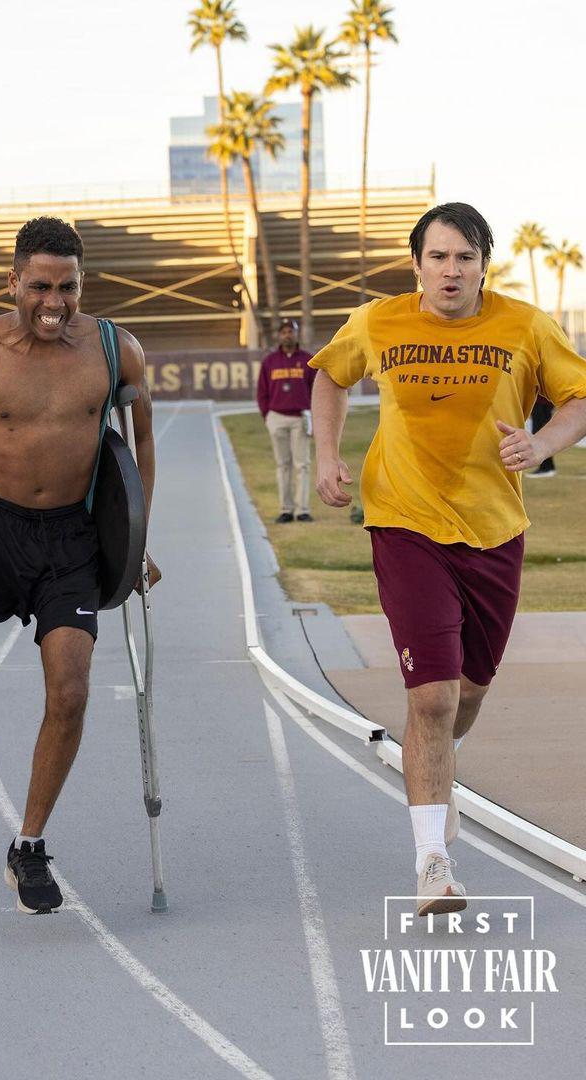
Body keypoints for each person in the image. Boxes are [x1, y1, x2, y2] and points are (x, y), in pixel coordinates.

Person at [309, 203, 586, 917]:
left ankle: (436, 769)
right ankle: (433, 861)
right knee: (430, 697)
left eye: (465, 257)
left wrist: (545, 445)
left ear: (484, 265)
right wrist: (327, 455)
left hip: (494, 531)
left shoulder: (524, 325)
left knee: (466, 695)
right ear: (417, 265)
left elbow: (579, 397)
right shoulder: (378, 321)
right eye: (438, 257)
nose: (451, 270)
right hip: (405, 523)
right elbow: (330, 377)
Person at [0, 216, 160, 914]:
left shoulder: (117, 351)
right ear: (14, 283)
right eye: (41, 287)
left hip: (75, 536)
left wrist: (139, 540)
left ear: (85, 285)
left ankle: (28, 844)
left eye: (69, 288)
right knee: (40, 670)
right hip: (1, 528)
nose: (55, 303)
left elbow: (141, 445)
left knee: (72, 689)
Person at [256, 318, 316, 523]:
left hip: (300, 418)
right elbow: (262, 392)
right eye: (284, 332)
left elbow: (316, 390)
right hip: (277, 418)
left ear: (297, 334)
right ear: (279, 336)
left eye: (291, 331)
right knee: (283, 465)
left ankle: (303, 510)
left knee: (302, 465)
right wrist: (268, 416)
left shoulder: (308, 360)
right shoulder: (270, 362)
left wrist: (313, 415)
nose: (287, 335)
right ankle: (286, 509)